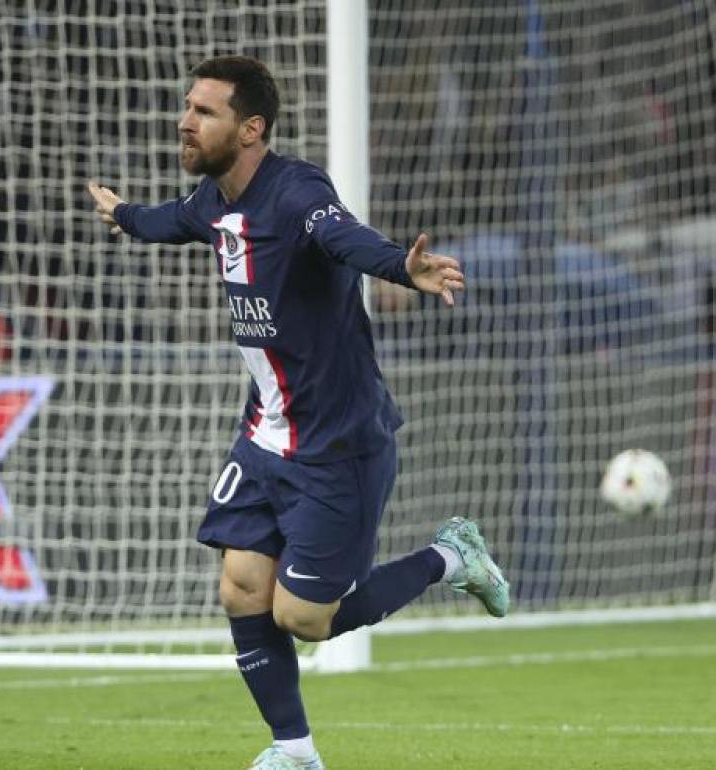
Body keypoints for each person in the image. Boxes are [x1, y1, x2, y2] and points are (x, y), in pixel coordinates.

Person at [86, 55, 509, 770]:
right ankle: (295, 752)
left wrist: (399, 267)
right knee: (241, 585)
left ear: (252, 128)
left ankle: (450, 556)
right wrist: (124, 215)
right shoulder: (212, 200)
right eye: (188, 106)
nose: (185, 121)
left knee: (302, 618)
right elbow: (171, 221)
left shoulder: (295, 190)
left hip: (338, 444)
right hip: (266, 433)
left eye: (204, 111)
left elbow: (341, 235)